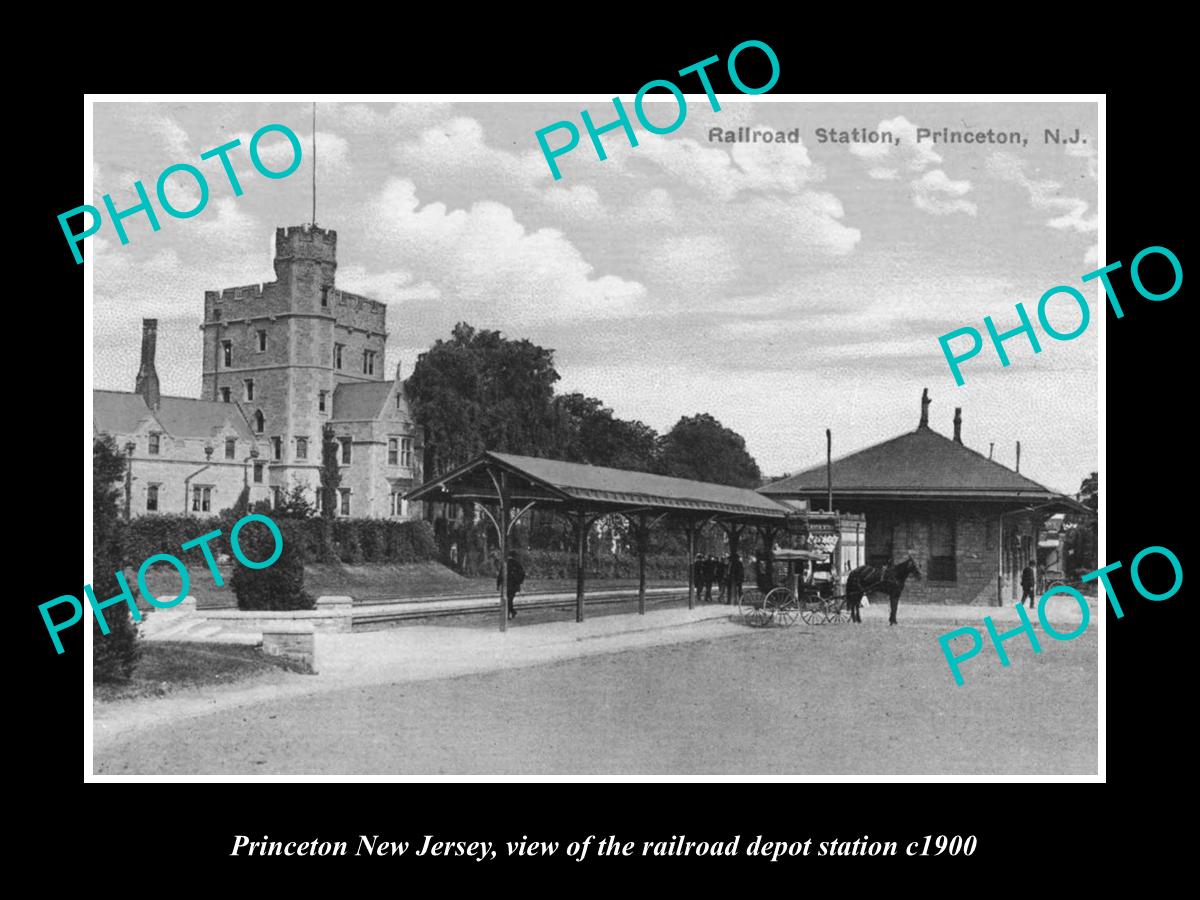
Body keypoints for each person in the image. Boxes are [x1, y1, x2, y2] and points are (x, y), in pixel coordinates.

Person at [497, 549, 526, 620]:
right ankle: (511, 612)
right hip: (513, 585)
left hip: (505, 585)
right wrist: (519, 582)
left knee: (506, 600)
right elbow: (522, 574)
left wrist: (498, 584)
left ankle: (509, 613)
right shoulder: (517, 564)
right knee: (509, 600)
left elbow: (500, 575)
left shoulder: (505, 563)